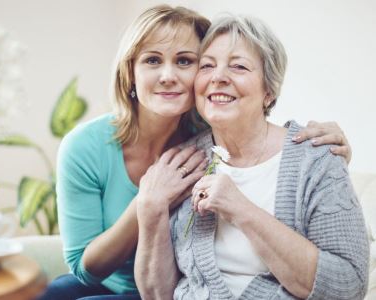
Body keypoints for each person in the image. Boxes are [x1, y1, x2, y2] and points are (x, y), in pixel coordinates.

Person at [38, 5, 354, 300]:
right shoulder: (85, 146)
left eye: (186, 61)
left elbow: (259, 129)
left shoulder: (210, 135)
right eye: (152, 60)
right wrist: (149, 202)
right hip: (109, 280)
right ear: (129, 73)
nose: (168, 75)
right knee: (56, 291)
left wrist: (329, 150)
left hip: (165, 287)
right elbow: (85, 268)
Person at [134, 13, 369, 300]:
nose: (218, 77)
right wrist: (151, 209)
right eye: (207, 65)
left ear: (269, 90)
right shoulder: (182, 162)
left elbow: (348, 287)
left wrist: (240, 208)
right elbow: (157, 294)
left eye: (239, 66)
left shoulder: (317, 160)